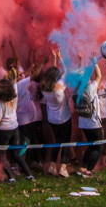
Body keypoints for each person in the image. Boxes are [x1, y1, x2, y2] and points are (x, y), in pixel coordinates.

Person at [0, 73, 35, 184]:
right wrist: (14, 77)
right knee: (15, 154)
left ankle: (11, 178)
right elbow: (15, 84)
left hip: (3, 131)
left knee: (2, 156)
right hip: (14, 129)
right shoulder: (15, 96)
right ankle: (29, 175)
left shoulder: (0, 104)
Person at [40, 49, 71, 178]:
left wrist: (54, 59)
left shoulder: (44, 87)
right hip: (64, 118)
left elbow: (53, 75)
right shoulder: (59, 87)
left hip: (52, 119)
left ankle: (52, 166)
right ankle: (63, 168)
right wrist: (60, 58)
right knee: (66, 142)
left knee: (57, 141)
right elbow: (66, 71)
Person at [77, 53, 103, 177]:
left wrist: (80, 60)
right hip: (94, 123)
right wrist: (94, 62)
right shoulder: (90, 88)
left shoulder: (77, 89)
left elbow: (80, 73)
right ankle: (89, 170)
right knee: (98, 147)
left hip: (83, 123)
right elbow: (99, 75)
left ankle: (83, 167)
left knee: (91, 145)